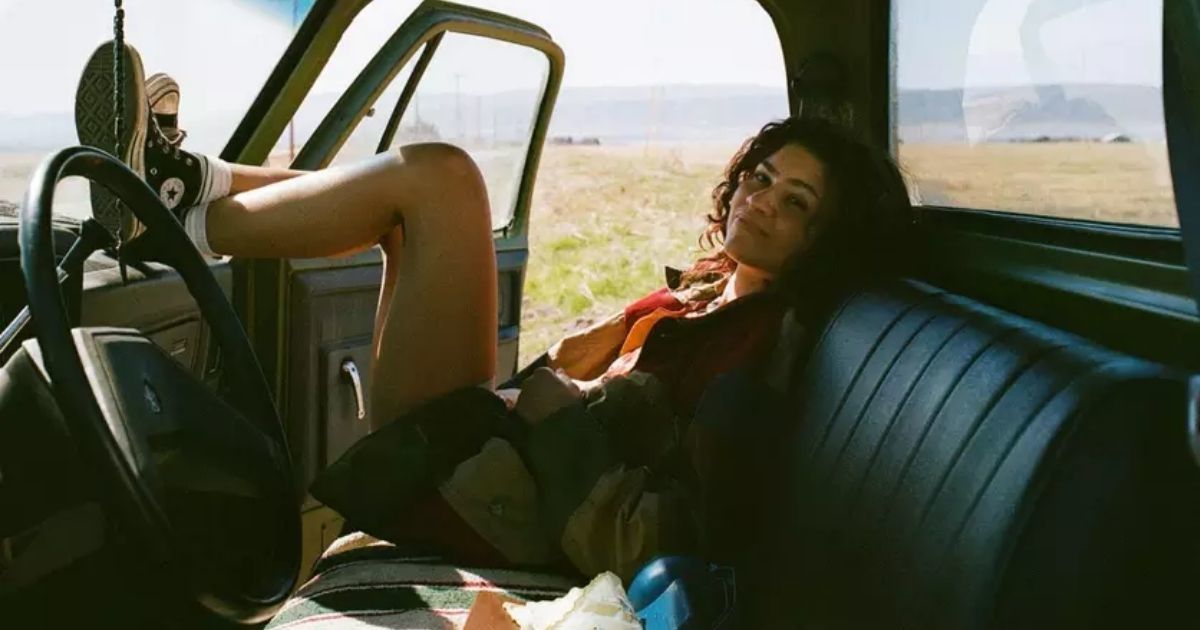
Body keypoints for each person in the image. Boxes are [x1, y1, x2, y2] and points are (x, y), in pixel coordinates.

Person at [75, 42, 914, 588]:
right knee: (412, 206)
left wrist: (556, 404)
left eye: (796, 202)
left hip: (508, 509)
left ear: (825, 242)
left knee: (441, 180)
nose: (762, 200)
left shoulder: (758, 351)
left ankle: (178, 208)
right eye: (762, 177)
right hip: (505, 453)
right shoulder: (700, 293)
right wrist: (573, 369)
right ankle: (190, 186)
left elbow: (660, 540)